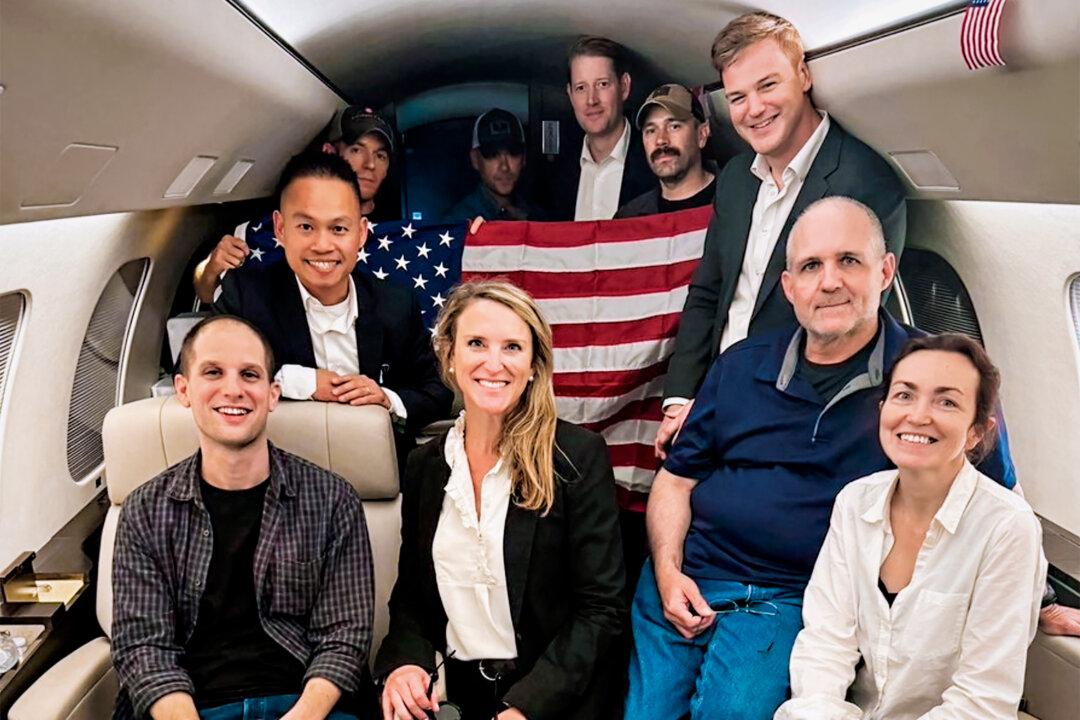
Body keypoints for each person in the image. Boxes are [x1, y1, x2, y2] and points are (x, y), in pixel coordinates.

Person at [624, 197, 1018, 720]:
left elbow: (994, 499)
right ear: (789, 288)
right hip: (682, 581)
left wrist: (1036, 601)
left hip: (789, 597)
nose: (829, 281)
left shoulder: (928, 380)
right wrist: (669, 573)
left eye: (849, 261)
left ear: (885, 272)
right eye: (811, 266)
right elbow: (676, 481)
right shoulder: (739, 366)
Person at [655, 12, 908, 457]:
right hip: (714, 398)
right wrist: (680, 401)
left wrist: (746, 409)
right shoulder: (735, 179)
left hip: (796, 415)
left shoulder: (865, 183)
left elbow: (847, 330)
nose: (753, 109)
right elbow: (709, 292)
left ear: (803, 75)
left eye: (767, 85)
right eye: (738, 97)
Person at [374, 281, 625, 720]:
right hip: (460, 698)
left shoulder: (576, 457)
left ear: (532, 364)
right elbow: (413, 597)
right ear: (449, 356)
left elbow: (601, 611)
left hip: (554, 701)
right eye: (476, 343)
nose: (494, 363)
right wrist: (404, 664)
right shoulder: (424, 466)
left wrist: (525, 708)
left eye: (512, 346)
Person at [110, 315, 375, 720]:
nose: (233, 389)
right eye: (213, 372)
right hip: (191, 709)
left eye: (249, 375)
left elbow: (344, 639)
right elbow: (145, 648)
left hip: (305, 707)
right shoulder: (144, 511)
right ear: (184, 389)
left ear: (272, 394)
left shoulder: (332, 500)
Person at [775, 333, 1046, 720]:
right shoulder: (855, 502)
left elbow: (981, 701)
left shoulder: (1008, 527)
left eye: (947, 401)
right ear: (883, 409)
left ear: (977, 431)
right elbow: (825, 645)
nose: (918, 415)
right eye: (904, 395)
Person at [213, 151, 452, 471]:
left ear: (362, 233)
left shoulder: (395, 304)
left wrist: (385, 398)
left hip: (378, 475)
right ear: (280, 229)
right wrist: (305, 382)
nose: (322, 245)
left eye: (338, 229)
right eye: (306, 227)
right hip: (279, 477)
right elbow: (204, 373)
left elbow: (436, 392)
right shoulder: (246, 295)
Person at [194, 106, 397, 304]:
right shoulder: (268, 228)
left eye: (380, 155)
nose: (370, 164)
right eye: (356, 150)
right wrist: (211, 268)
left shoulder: (401, 237)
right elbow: (208, 295)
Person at [545, 36, 653, 221]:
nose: (591, 100)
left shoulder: (655, 162)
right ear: (570, 95)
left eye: (602, 84)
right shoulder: (552, 176)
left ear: (624, 87)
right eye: (581, 88)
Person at [614, 83, 716, 219]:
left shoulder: (737, 201)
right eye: (651, 130)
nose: (661, 140)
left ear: (702, 134)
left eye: (674, 126)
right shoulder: (628, 220)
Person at [443, 108, 543, 222]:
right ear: (475, 159)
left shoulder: (536, 216)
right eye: (492, 154)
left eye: (513, 152)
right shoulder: (458, 223)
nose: (504, 167)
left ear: (524, 157)